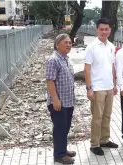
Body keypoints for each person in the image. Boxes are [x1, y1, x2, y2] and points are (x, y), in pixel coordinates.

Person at [84, 18, 118, 156]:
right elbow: (87, 68)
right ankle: (95, 144)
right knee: (97, 118)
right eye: (101, 29)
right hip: (97, 88)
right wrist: (89, 88)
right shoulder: (91, 47)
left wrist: (115, 84)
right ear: (96, 30)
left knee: (107, 116)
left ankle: (104, 140)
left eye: (106, 29)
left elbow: (112, 66)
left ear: (110, 30)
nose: (104, 32)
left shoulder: (111, 46)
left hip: (109, 87)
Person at [46, 33, 76, 164]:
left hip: (68, 100)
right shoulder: (53, 60)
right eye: (66, 42)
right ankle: (59, 155)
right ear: (57, 44)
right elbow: (50, 81)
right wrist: (55, 99)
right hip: (59, 102)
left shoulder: (65, 59)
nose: (69, 45)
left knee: (65, 127)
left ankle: (63, 149)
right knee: (59, 128)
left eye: (70, 42)